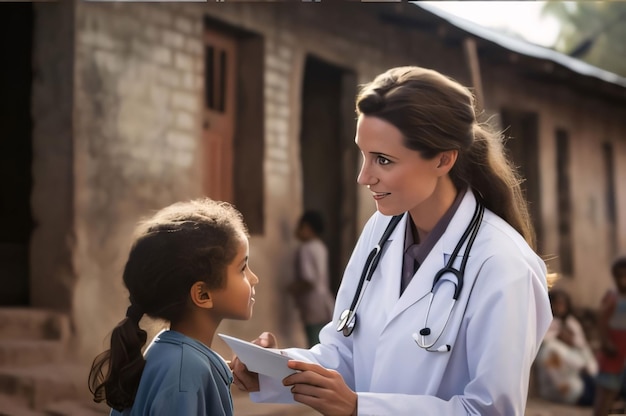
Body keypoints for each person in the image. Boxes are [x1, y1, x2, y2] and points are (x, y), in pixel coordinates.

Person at [231, 66, 552, 415]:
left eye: (383, 160)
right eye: (363, 154)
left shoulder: (503, 264)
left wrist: (360, 409)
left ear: (443, 159)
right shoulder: (380, 232)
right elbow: (344, 352)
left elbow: (489, 411)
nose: (363, 177)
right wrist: (273, 369)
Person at [87, 198, 259, 416]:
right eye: (242, 268)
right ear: (202, 294)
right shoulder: (184, 373)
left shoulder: (173, 354)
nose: (254, 279)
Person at [536, 289, 597, 406]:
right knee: (551, 350)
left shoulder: (572, 323)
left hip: (580, 372)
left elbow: (582, 345)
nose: (560, 307)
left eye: (562, 304)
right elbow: (543, 340)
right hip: (561, 377)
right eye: (556, 304)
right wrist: (558, 336)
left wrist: (571, 341)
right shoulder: (546, 322)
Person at [287, 210, 335, 347]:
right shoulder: (320, 247)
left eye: (300, 227)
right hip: (324, 301)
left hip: (312, 304)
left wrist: (293, 289)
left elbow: (309, 280)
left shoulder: (306, 249)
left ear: (307, 228)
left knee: (314, 341)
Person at [594, 256, 626, 416]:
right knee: (606, 391)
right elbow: (602, 320)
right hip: (614, 346)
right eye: (620, 276)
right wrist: (606, 342)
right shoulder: (613, 297)